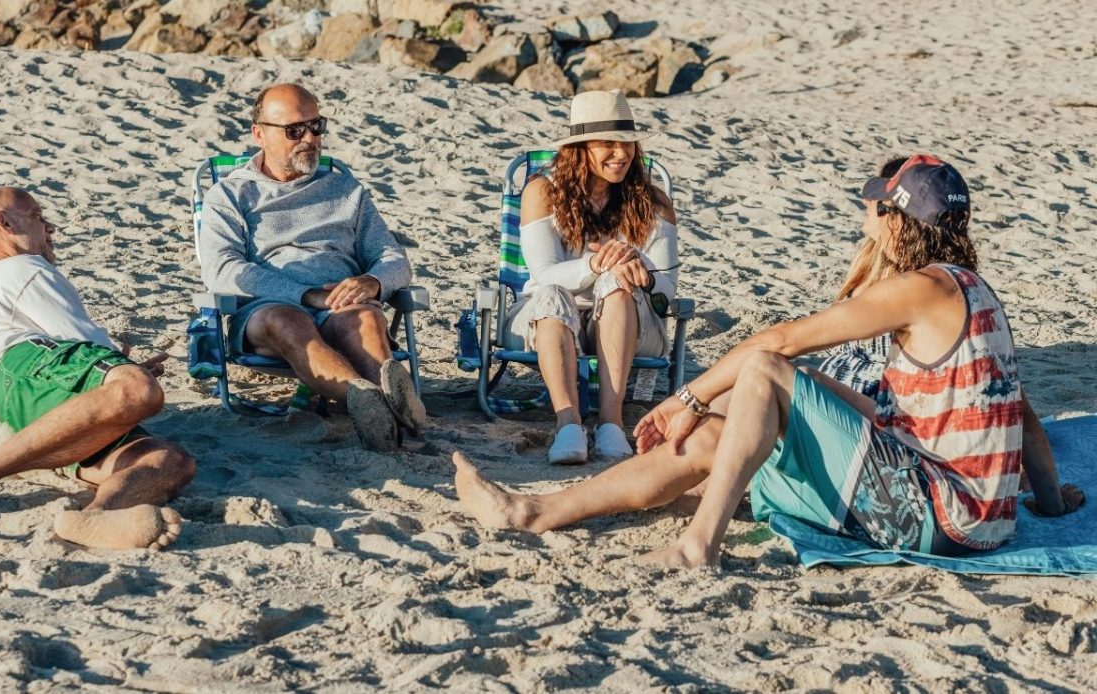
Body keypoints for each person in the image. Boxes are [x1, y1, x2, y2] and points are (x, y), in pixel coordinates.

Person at [452, 155, 1084, 567]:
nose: (864, 218)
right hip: (968, 514)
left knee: (763, 370)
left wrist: (685, 396)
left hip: (938, 518)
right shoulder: (973, 290)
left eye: (874, 209)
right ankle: (532, 512)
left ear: (897, 223)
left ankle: (700, 543)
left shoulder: (920, 289)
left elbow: (782, 341)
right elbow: (1020, 417)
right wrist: (1051, 507)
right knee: (717, 434)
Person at [0, 187, 195, 550]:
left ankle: (98, 516)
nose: (50, 228)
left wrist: (119, 368)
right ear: (4, 222)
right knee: (138, 389)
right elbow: (87, 345)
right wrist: (128, 368)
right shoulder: (22, 267)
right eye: (37, 216)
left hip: (25, 424)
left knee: (169, 460)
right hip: (19, 375)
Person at [198, 83, 424, 452]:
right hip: (268, 305)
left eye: (316, 126)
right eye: (294, 131)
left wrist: (371, 281)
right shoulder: (231, 194)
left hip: (340, 301)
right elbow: (222, 270)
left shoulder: (345, 190)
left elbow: (395, 259)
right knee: (288, 321)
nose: (309, 139)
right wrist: (306, 295)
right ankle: (370, 399)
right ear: (260, 134)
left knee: (366, 320)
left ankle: (385, 408)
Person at [504, 89, 679, 464]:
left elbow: (668, 291)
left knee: (617, 285)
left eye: (627, 144)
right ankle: (568, 423)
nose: (621, 154)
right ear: (580, 148)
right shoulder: (542, 191)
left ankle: (611, 423)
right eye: (607, 144)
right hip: (546, 318)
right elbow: (543, 273)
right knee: (552, 293)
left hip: (629, 320)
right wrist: (596, 265)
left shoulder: (654, 202)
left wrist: (642, 272)